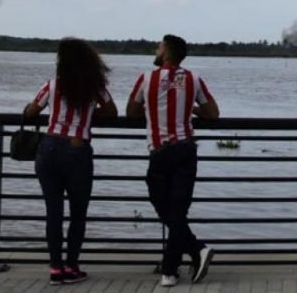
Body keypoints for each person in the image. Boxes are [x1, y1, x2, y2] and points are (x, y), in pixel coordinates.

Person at [126, 34, 219, 288]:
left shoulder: (147, 79)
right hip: (186, 150)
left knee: (163, 207)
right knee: (177, 211)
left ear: (166, 52)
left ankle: (174, 267)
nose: (156, 49)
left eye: (159, 46)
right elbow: (213, 113)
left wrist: (151, 108)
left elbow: (131, 112)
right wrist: (190, 108)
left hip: (160, 151)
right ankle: (183, 260)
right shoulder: (193, 78)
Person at [23, 38, 117, 286]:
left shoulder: (52, 85)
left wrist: (35, 109)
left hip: (49, 148)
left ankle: (55, 268)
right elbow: (112, 111)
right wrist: (86, 115)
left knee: (53, 213)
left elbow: (31, 111)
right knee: (78, 213)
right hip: (77, 149)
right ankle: (72, 266)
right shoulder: (94, 86)